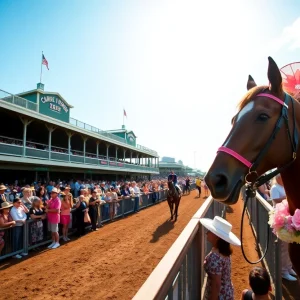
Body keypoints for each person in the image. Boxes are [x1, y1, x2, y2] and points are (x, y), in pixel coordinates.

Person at [200, 216, 241, 299]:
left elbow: (216, 285)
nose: (207, 232)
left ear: (217, 237)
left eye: (210, 231)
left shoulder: (214, 257)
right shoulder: (223, 251)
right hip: (227, 292)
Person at [270, 174, 297, 281]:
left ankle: (289, 268)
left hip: (288, 219)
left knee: (289, 245)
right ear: (277, 178)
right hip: (281, 219)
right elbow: (276, 200)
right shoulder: (275, 188)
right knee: (283, 247)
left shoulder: (285, 186)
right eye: (280, 176)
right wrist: (289, 196)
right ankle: (283, 271)